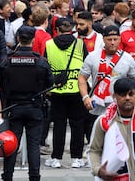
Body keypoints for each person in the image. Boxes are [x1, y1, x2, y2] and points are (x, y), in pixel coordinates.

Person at [0, 26, 53, 181]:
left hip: (13, 108)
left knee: (11, 143)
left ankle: (8, 176)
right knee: (34, 145)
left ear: (18, 39)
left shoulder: (7, 60)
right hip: (35, 108)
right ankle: (34, 177)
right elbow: (50, 83)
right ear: (33, 40)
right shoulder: (40, 61)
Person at [78, 25, 135, 144]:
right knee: (97, 141)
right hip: (96, 106)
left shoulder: (127, 59)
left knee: (118, 140)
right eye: (109, 39)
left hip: (119, 106)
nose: (112, 43)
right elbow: (82, 78)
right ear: (103, 40)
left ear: (120, 39)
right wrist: (85, 97)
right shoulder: (92, 57)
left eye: (115, 39)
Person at [44, 18, 89, 169]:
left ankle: (56, 157)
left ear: (56, 29)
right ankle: (76, 158)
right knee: (77, 125)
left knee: (59, 124)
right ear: (72, 29)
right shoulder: (80, 44)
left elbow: (45, 67)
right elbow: (87, 66)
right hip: (77, 88)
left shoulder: (49, 45)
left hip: (57, 89)